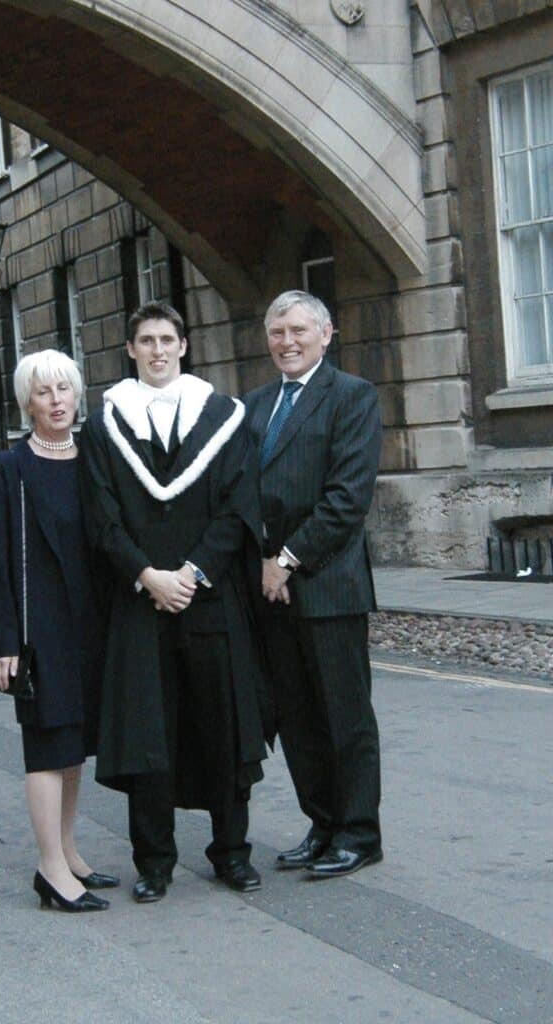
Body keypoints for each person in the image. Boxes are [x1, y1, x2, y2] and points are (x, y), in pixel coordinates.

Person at [79, 300, 268, 903]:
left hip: (209, 598)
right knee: (147, 735)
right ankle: (154, 862)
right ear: (130, 350)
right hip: (141, 603)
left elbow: (238, 508)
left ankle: (231, 853)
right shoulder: (104, 427)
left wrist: (191, 572)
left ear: (183, 346)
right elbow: (101, 517)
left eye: (167, 339)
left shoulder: (225, 418)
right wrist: (147, 576)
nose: (157, 351)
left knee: (223, 728)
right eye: (146, 341)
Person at [243, 289, 383, 879]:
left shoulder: (352, 396)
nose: (288, 342)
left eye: (299, 330)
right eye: (278, 333)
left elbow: (347, 498)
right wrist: (259, 561)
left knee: (344, 717)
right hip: (270, 591)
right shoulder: (254, 405)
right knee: (296, 720)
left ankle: (359, 833)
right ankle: (322, 824)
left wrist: (287, 559)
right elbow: (242, 491)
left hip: (328, 586)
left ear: (326, 335)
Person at [0, 349, 116, 912]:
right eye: (43, 392)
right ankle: (50, 868)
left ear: (77, 394)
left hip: (90, 624)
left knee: (75, 745)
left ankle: (68, 851)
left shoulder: (94, 461)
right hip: (40, 631)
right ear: (27, 403)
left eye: (64, 389)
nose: (56, 401)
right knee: (46, 745)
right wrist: (4, 643)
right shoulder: (5, 470)